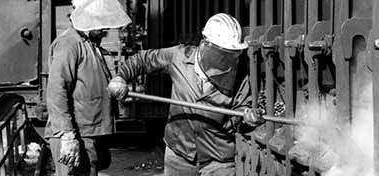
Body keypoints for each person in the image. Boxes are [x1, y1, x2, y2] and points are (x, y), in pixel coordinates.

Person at [107, 13, 266, 176]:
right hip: (179, 155)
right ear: (206, 44)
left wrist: (247, 118)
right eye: (221, 53)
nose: (224, 61)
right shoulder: (179, 57)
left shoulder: (239, 77)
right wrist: (121, 77)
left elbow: (240, 113)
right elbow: (142, 60)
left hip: (217, 160)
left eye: (230, 54)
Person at [45, 0, 131, 176]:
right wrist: (67, 135)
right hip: (77, 133)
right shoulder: (69, 44)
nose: (105, 27)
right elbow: (56, 91)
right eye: (100, 20)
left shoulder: (91, 44)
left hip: (89, 132)